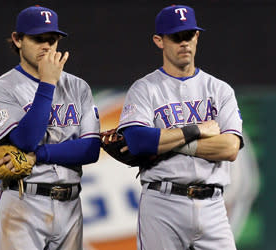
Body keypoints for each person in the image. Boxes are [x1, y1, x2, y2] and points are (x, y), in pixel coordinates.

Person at [117, 5, 243, 250]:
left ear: (196, 37)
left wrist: (166, 141)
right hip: (163, 203)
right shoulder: (145, 89)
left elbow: (229, 148)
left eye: (188, 35)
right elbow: (138, 141)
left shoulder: (219, 89)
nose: (184, 42)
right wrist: (195, 130)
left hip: (213, 206)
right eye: (176, 37)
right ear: (159, 41)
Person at [0, 5, 100, 250]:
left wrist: (39, 155)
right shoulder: (1, 88)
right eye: (38, 39)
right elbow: (25, 141)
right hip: (22, 203)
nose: (46, 46)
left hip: (70, 205)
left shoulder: (79, 87)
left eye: (52, 39)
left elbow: (90, 149)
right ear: (17, 40)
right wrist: (47, 83)